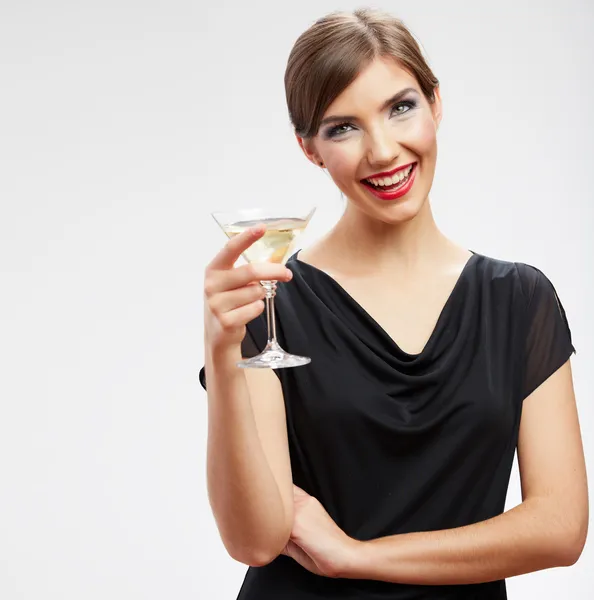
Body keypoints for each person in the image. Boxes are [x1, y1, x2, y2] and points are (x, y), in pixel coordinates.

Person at [199, 8, 588, 599]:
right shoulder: (272, 304)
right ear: (310, 149)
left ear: (436, 104)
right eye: (342, 128)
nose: (383, 151)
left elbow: (560, 530)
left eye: (401, 107)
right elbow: (254, 541)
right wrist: (222, 351)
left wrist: (357, 557)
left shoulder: (519, 300)